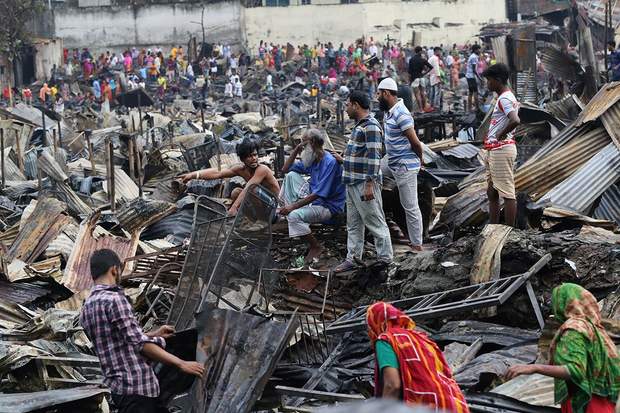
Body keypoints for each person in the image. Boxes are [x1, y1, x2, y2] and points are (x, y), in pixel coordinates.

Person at [80, 249, 204, 413]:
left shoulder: (87, 308)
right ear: (114, 270)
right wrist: (181, 363)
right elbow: (140, 345)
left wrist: (155, 334)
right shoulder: (114, 300)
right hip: (137, 387)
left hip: (119, 390)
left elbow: (117, 340)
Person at [506, 283, 619, 413]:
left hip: (585, 404)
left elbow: (575, 371)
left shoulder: (574, 330)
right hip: (605, 403)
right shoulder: (597, 331)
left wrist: (535, 368)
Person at [367, 302, 470, 411]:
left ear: (376, 321)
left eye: (369, 326)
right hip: (452, 402)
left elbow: (392, 385)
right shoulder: (421, 338)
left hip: (424, 405)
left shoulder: (385, 340)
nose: (369, 330)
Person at [334, 91, 393, 273]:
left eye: (347, 105)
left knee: (375, 221)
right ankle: (352, 258)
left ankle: (385, 259)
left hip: (363, 183)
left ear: (356, 105)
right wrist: (343, 160)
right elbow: (360, 155)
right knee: (353, 224)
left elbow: (374, 157)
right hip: (352, 182)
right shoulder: (360, 126)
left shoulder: (371, 127)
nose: (346, 109)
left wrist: (369, 184)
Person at [280, 128, 345, 264]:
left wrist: (292, 207)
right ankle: (293, 216)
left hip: (328, 207)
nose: (302, 148)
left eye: (304, 144)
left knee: (293, 215)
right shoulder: (313, 160)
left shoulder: (330, 162)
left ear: (313, 143)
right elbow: (285, 169)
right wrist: (296, 150)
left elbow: (318, 194)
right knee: (291, 176)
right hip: (315, 201)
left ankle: (316, 246)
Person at [377, 78, 424, 252]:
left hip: (404, 164)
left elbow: (415, 142)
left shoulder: (402, 114)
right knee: (372, 174)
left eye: (379, 94)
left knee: (410, 205)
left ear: (386, 93)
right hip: (391, 159)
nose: (377, 97)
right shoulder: (389, 112)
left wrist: (420, 160)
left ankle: (417, 244)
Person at [179, 138, 280, 216]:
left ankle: (261, 220)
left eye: (255, 155)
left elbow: (249, 187)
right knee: (236, 192)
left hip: (275, 206)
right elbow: (218, 173)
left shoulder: (262, 169)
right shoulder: (241, 169)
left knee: (252, 189)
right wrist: (192, 175)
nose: (254, 158)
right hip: (262, 205)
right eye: (250, 156)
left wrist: (234, 207)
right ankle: (253, 219)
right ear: (242, 159)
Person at [481, 63, 520, 227]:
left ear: (497, 80)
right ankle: (493, 228)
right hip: (496, 149)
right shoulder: (506, 97)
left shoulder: (504, 98)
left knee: (507, 193)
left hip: (501, 148)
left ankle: (508, 231)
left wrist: (500, 134)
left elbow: (515, 120)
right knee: (492, 191)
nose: (487, 84)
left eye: (489, 80)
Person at [408, 46, 433, 112]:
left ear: (415, 51)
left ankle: (421, 109)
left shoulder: (412, 60)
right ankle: (424, 108)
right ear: (421, 51)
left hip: (415, 78)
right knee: (422, 93)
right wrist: (424, 73)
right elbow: (431, 67)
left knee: (417, 94)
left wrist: (409, 81)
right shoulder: (423, 59)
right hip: (421, 78)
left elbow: (409, 72)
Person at [466, 44, 482, 112]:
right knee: (475, 92)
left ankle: (469, 108)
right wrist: (479, 78)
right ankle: (477, 108)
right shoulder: (474, 57)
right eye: (478, 49)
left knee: (470, 92)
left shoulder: (473, 56)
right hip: (471, 76)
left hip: (469, 76)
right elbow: (474, 70)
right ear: (475, 50)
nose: (479, 50)